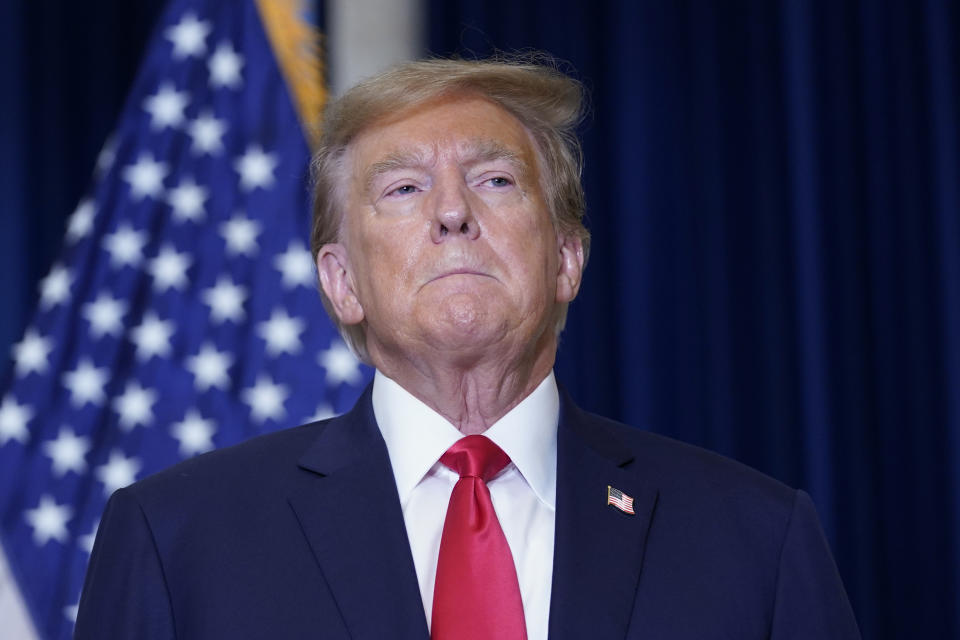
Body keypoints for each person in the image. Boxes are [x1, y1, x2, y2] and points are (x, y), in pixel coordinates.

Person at [75, 56, 861, 639]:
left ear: (566, 259)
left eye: (494, 180)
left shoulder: (756, 539)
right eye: (404, 189)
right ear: (341, 281)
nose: (452, 213)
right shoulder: (178, 539)